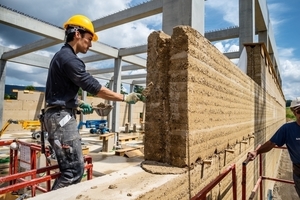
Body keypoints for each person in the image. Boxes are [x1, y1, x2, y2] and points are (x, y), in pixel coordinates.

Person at [43, 14, 140, 190]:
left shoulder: (60, 57)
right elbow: (94, 87)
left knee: (70, 168)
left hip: (56, 115)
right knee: (73, 170)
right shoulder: (70, 59)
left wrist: (78, 103)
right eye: (89, 39)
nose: (91, 43)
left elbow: (59, 90)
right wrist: (124, 97)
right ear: (77, 34)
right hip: (61, 118)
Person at [247, 97, 300, 197]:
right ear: (294, 113)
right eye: (299, 111)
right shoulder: (287, 129)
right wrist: (257, 152)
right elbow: (271, 143)